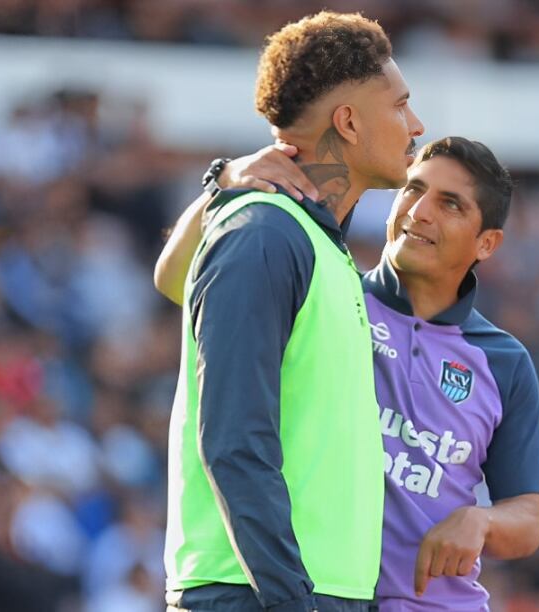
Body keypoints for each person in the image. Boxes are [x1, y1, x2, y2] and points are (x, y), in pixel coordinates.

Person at [157, 137, 539, 611]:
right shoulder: (329, 295)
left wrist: (481, 521)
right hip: (321, 594)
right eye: (413, 190)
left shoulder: (503, 360)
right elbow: (175, 279)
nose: (419, 211)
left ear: (487, 242)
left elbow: (528, 519)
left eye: (450, 204)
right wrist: (222, 182)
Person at [161, 11, 424, 612]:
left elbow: (170, 278)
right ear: (349, 122)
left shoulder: (306, 241)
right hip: (257, 593)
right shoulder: (263, 235)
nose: (416, 124)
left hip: (308, 592)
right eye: (401, 105)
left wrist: (220, 183)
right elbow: (233, 440)